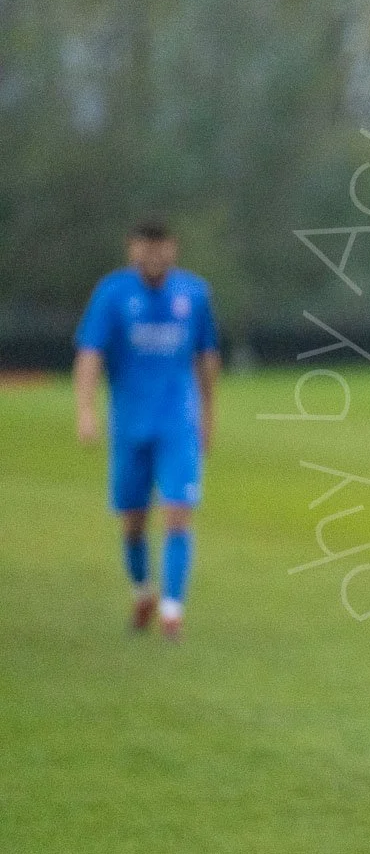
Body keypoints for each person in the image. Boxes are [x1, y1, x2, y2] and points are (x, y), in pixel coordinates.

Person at [74, 219, 220, 641]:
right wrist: (85, 410)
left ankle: (173, 610)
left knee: (178, 513)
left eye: (162, 248)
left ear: (173, 249)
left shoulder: (194, 294)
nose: (155, 256)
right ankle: (143, 591)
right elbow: (90, 354)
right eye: (146, 248)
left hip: (178, 423)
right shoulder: (113, 294)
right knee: (133, 524)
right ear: (132, 250)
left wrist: (209, 418)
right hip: (130, 426)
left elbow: (207, 360)